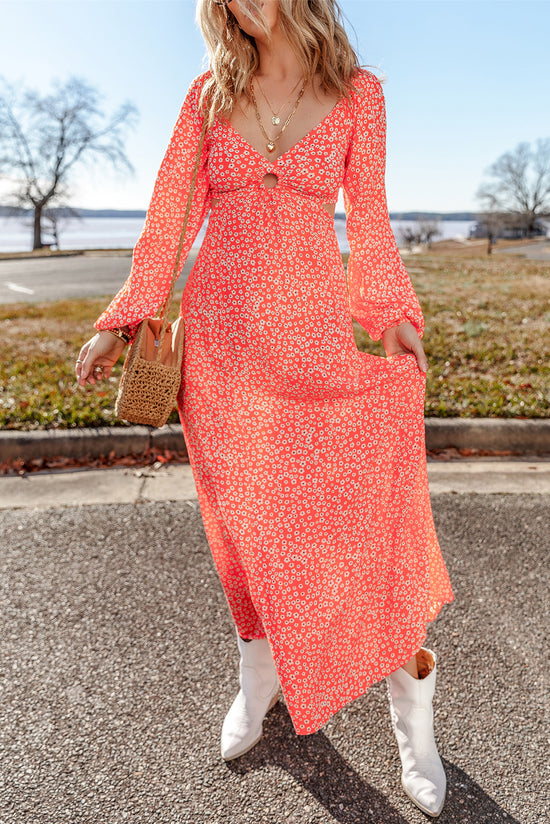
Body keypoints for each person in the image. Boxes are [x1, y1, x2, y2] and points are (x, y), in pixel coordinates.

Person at [76, 0, 454, 816]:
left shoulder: (360, 93)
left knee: (361, 526)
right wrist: (125, 318)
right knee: (243, 529)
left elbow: (374, 219)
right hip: (221, 353)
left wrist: (393, 318)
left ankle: (412, 716)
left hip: (316, 341)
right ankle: (259, 682)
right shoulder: (207, 95)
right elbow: (170, 215)